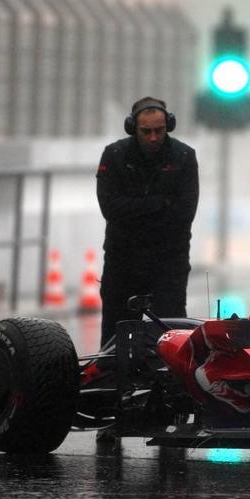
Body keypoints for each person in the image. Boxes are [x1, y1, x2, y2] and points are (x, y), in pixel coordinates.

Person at [96, 97, 199, 346]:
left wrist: (134, 211)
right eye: (146, 132)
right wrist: (159, 203)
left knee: (171, 341)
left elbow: (184, 214)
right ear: (133, 128)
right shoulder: (115, 155)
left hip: (168, 265)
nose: (153, 137)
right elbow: (110, 208)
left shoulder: (184, 156)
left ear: (168, 127)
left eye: (159, 131)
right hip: (123, 263)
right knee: (114, 342)